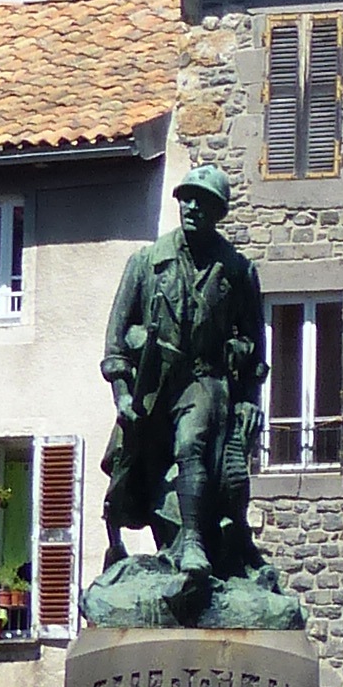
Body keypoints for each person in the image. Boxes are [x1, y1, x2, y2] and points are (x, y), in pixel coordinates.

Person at [98, 161, 273, 590]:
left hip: (205, 380)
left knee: (192, 441)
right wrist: (123, 396)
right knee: (133, 478)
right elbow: (115, 343)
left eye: (204, 202)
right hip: (153, 389)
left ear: (218, 212)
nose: (192, 207)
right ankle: (158, 542)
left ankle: (194, 542)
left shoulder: (236, 270)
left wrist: (250, 399)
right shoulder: (145, 263)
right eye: (187, 198)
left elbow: (255, 347)